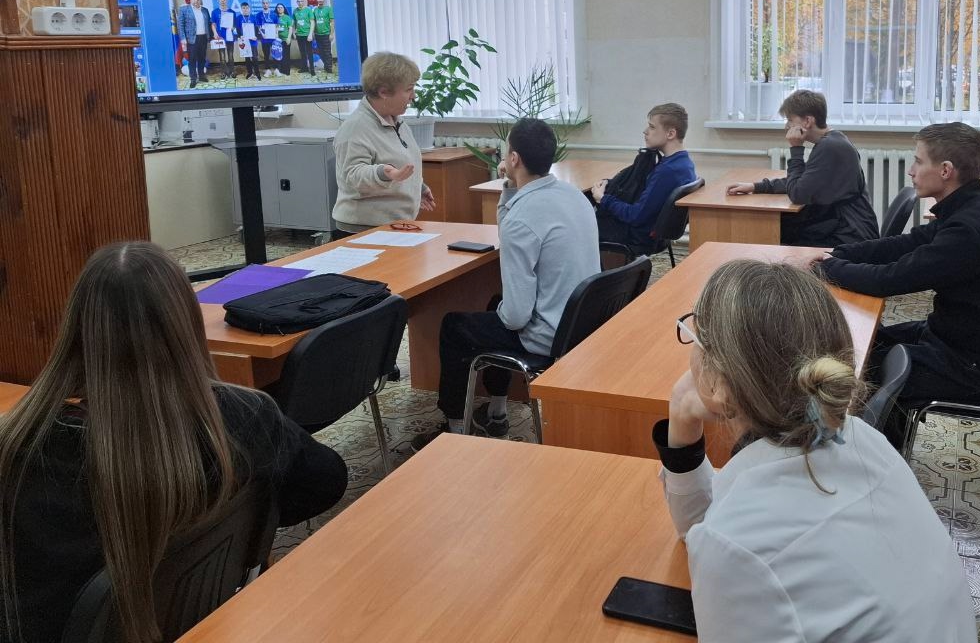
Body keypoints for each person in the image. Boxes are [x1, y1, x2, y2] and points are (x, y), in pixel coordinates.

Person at [0, 242, 348, 643]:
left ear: (76, 327)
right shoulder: (244, 416)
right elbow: (326, 481)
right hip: (197, 623)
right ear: (187, 323)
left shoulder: (18, 451)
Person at [655, 259, 976, 643]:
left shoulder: (738, 542)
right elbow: (700, 530)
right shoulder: (863, 439)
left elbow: (714, 539)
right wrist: (682, 418)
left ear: (717, 383)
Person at [817, 123, 980, 449]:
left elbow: (890, 279)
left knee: (862, 367)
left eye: (918, 161)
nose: (911, 170)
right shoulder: (966, 208)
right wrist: (837, 253)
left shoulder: (968, 230)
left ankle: (877, 460)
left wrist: (828, 267)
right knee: (866, 344)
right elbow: (903, 245)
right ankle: (886, 444)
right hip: (955, 340)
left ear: (945, 170)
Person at [419, 118, 599, 446]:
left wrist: (506, 311)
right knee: (494, 304)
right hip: (581, 324)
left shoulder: (523, 219)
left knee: (454, 326)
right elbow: (511, 227)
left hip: (549, 335)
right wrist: (509, 186)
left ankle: (455, 428)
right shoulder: (573, 195)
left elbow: (516, 317)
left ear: (513, 158)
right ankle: (497, 412)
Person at [728, 90, 878, 246]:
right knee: (781, 229)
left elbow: (797, 193)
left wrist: (796, 149)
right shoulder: (832, 140)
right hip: (842, 225)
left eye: (790, 120)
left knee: (776, 235)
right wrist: (756, 187)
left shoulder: (829, 147)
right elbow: (803, 181)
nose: (786, 126)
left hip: (850, 235)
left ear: (807, 121)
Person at [332, 52, 435, 237]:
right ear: (384, 92)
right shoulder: (355, 127)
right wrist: (384, 173)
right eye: (409, 89)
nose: (413, 96)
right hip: (362, 228)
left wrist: (417, 187)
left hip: (394, 225)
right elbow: (353, 176)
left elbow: (400, 164)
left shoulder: (396, 121)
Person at [590, 102, 697, 254]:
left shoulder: (667, 171)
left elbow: (635, 216)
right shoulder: (683, 163)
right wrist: (612, 184)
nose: (645, 131)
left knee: (583, 226)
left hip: (638, 238)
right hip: (656, 236)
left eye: (652, 127)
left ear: (670, 134)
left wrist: (603, 199)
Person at [176, 0, 211, 88]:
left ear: (200, 0)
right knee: (192, 59)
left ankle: (201, 76)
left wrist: (210, 37)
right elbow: (180, 25)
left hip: (203, 38)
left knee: (202, 58)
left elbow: (208, 24)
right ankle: (193, 79)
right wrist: (183, 38)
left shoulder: (205, 10)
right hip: (191, 39)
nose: (196, 1)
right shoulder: (184, 9)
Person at [234, 1, 262, 81]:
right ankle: (249, 72)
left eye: (247, 8)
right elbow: (237, 29)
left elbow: (257, 28)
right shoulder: (238, 18)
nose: (245, 9)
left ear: (249, 9)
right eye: (243, 8)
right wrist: (240, 36)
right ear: (241, 9)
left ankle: (257, 73)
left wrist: (256, 36)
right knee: (247, 58)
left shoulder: (253, 17)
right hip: (244, 42)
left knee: (255, 58)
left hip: (253, 41)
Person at [212, 0, 237, 80]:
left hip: (230, 36)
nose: (222, 1)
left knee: (230, 56)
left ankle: (232, 71)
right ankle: (223, 72)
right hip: (220, 37)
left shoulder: (232, 12)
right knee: (222, 56)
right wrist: (215, 33)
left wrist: (232, 28)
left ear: (226, 0)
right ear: (218, 0)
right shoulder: (215, 12)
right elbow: (213, 24)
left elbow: (234, 25)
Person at [312, 0, 334, 74]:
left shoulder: (328, 9)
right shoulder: (314, 10)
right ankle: (325, 66)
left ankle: (329, 68)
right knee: (320, 52)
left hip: (326, 34)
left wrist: (331, 34)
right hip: (317, 35)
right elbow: (313, 22)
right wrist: (313, 33)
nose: (320, 0)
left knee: (327, 52)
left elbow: (332, 22)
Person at [293, 0, 315, 76]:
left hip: (307, 35)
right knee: (302, 52)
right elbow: (294, 23)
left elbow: (312, 22)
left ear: (304, 2)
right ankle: (304, 68)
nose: (300, 3)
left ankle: (312, 69)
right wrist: (294, 32)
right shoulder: (295, 11)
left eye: (301, 1)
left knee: (310, 53)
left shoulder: (308, 10)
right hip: (299, 35)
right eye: (298, 1)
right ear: (296, 2)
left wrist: (310, 34)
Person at [256, 0, 278, 78]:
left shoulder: (274, 14)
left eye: (266, 3)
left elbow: (276, 25)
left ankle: (276, 69)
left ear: (269, 4)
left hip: (273, 38)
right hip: (264, 38)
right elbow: (258, 26)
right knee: (266, 54)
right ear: (262, 4)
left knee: (275, 54)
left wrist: (276, 34)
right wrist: (262, 34)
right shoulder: (259, 15)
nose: (265, 4)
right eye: (264, 3)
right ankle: (267, 69)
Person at [273, 2, 294, 76]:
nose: (279, 9)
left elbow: (290, 28)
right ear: (276, 9)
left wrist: (289, 38)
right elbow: (274, 27)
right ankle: (279, 70)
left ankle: (286, 71)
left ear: (284, 9)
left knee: (286, 55)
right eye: (278, 8)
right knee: (278, 56)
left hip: (285, 39)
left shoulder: (287, 17)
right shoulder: (275, 17)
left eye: (281, 7)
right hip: (277, 41)